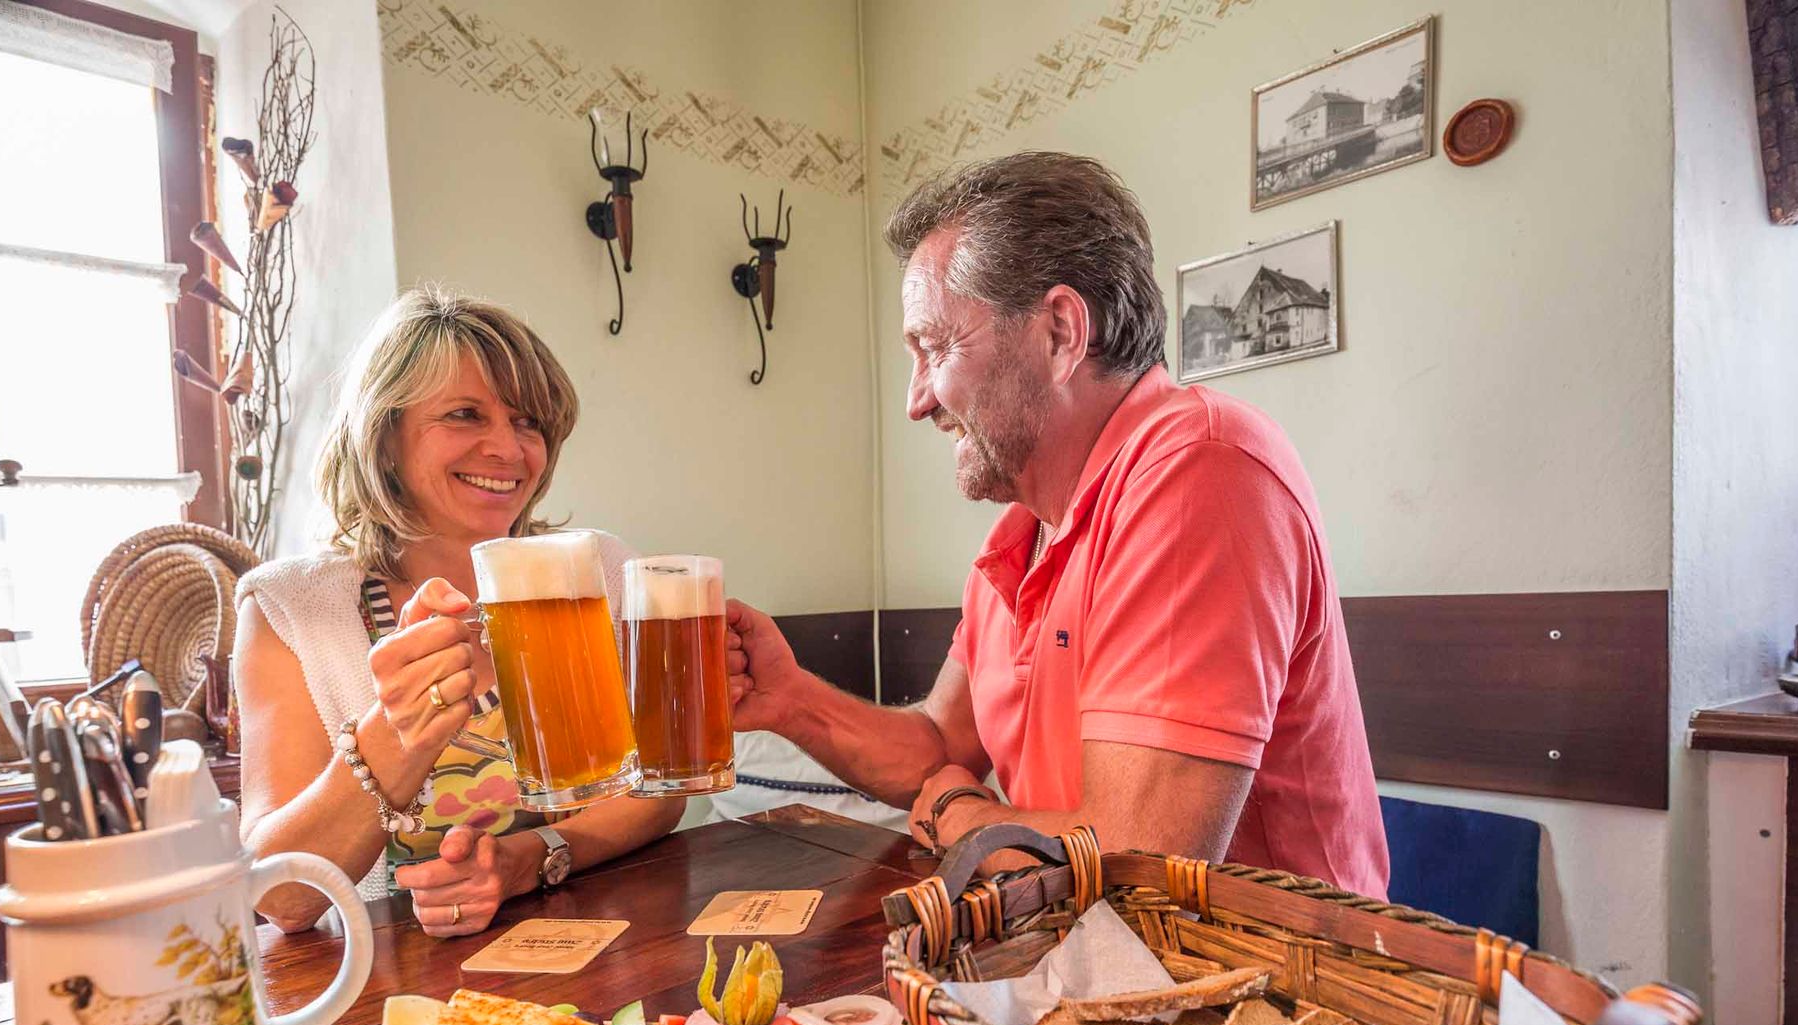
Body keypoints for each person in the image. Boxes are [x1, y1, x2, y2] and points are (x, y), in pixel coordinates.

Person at [728, 153, 1387, 894]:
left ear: (1062, 332)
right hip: (1094, 968)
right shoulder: (1023, 531)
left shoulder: (1198, 468)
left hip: (1278, 987)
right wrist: (787, 697)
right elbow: (942, 742)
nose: (917, 401)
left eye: (935, 347)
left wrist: (957, 814)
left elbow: (1139, 862)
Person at [234, 287, 683, 936]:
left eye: (529, 421)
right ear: (383, 438)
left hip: (595, 947)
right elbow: (284, 897)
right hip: (384, 991)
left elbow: (657, 793)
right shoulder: (291, 610)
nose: (509, 448)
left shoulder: (601, 572)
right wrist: (398, 729)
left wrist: (530, 859)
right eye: (467, 414)